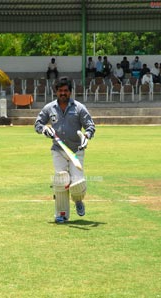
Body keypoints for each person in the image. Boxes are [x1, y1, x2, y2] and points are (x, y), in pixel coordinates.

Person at [34, 77, 95, 224]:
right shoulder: (49, 108)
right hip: (58, 149)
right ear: (56, 92)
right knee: (61, 180)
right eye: (60, 91)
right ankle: (61, 214)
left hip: (76, 150)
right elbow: (38, 124)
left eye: (66, 91)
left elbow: (90, 126)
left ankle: (78, 200)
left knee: (77, 183)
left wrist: (86, 136)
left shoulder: (79, 108)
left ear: (70, 92)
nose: (63, 93)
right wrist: (44, 130)